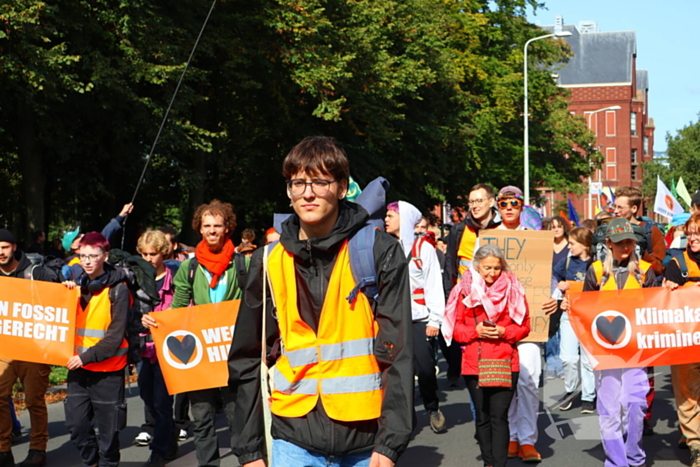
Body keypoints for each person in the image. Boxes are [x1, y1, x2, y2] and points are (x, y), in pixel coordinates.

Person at [228, 136, 413, 467]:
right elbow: (246, 358)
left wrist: (390, 443)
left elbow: (398, 352)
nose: (307, 193)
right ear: (288, 191)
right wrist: (249, 450)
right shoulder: (268, 260)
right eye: (297, 183)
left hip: (365, 442)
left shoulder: (378, 251)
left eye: (319, 182)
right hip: (292, 441)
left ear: (342, 187)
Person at [166, 200, 243, 467]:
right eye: (207, 225)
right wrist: (158, 323)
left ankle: (247, 461)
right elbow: (177, 307)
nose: (212, 230)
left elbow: (252, 305)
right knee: (202, 416)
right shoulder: (189, 268)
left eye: (217, 226)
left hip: (232, 349)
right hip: (200, 351)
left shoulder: (241, 264)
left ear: (227, 229)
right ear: (199, 229)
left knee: (237, 416)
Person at [573, 218, 655, 467]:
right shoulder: (596, 271)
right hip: (605, 349)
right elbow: (585, 307)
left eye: (629, 241)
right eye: (620, 242)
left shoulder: (645, 271)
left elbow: (656, 308)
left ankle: (634, 456)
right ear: (608, 243)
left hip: (636, 350)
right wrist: (570, 304)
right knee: (609, 408)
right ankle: (616, 461)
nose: (625, 247)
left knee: (635, 405)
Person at [444, 243, 530, 467]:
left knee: (499, 417)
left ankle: (499, 464)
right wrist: (476, 331)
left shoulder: (514, 287)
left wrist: (505, 332)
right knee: (482, 418)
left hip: (506, 361)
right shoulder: (464, 290)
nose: (492, 273)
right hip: (474, 363)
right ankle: (489, 462)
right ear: (477, 267)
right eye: (487, 268)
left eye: (496, 268)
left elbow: (525, 326)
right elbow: (456, 329)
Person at [62, 232, 130, 467]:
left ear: (105, 256)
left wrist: (85, 357)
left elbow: (114, 337)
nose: (87, 261)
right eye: (82, 256)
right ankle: (92, 463)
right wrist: (65, 295)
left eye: (93, 256)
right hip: (79, 371)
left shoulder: (118, 290)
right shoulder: (74, 288)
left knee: (109, 436)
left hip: (108, 373)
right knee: (77, 428)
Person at [385, 201, 446, 433]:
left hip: (420, 320)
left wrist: (434, 320)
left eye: (391, 215)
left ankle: (432, 407)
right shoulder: (386, 248)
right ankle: (407, 418)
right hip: (395, 321)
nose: (386, 219)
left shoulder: (424, 249)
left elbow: (433, 284)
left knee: (426, 369)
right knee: (401, 372)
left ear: (406, 218)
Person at [491, 186, 542, 463]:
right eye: (503, 203)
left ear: (522, 206)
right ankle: (509, 435)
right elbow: (476, 276)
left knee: (529, 381)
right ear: (498, 206)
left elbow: (547, 276)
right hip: (498, 323)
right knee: (503, 382)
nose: (509, 207)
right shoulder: (486, 239)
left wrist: (555, 296)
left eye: (514, 202)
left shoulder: (535, 239)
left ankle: (528, 440)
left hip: (530, 322)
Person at [0, 229, 57, 467]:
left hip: (33, 346)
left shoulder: (35, 272)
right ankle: (3, 450)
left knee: (34, 400)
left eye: (3, 247)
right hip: (3, 347)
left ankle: (37, 449)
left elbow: (57, 300)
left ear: (14, 247)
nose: (0, 252)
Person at [613, 186, 664, 434]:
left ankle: (643, 414)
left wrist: (639, 254)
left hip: (641, 306)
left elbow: (660, 263)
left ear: (633, 209)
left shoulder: (651, 231)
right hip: (613, 310)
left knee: (645, 367)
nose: (616, 209)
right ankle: (619, 415)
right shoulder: (609, 229)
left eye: (620, 206)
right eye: (615, 205)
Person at [137, 230, 179, 466]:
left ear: (163, 252)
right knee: (147, 398)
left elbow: (187, 307)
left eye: (153, 254)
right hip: (144, 349)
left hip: (168, 350)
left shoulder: (175, 278)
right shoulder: (135, 278)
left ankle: (159, 450)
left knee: (163, 402)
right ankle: (170, 431)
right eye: (144, 254)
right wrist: (139, 319)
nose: (149, 259)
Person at [663, 212, 700, 466]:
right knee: (687, 392)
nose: (693, 238)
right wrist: (669, 290)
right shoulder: (677, 264)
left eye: (698, 233)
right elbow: (662, 301)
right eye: (690, 233)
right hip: (686, 341)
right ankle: (696, 442)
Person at [552, 228, 595, 413]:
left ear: (585, 245)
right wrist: (558, 284)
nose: (568, 246)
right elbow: (553, 277)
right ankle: (570, 390)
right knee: (568, 357)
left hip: (589, 317)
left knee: (587, 359)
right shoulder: (567, 262)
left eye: (572, 244)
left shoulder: (596, 264)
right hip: (569, 314)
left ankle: (588, 396)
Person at [543, 216, 570, 381]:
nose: (556, 229)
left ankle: (562, 366)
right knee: (550, 330)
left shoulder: (571, 245)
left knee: (563, 330)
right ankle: (552, 365)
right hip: (548, 292)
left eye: (559, 226)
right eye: (552, 226)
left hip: (566, 292)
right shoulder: (545, 246)